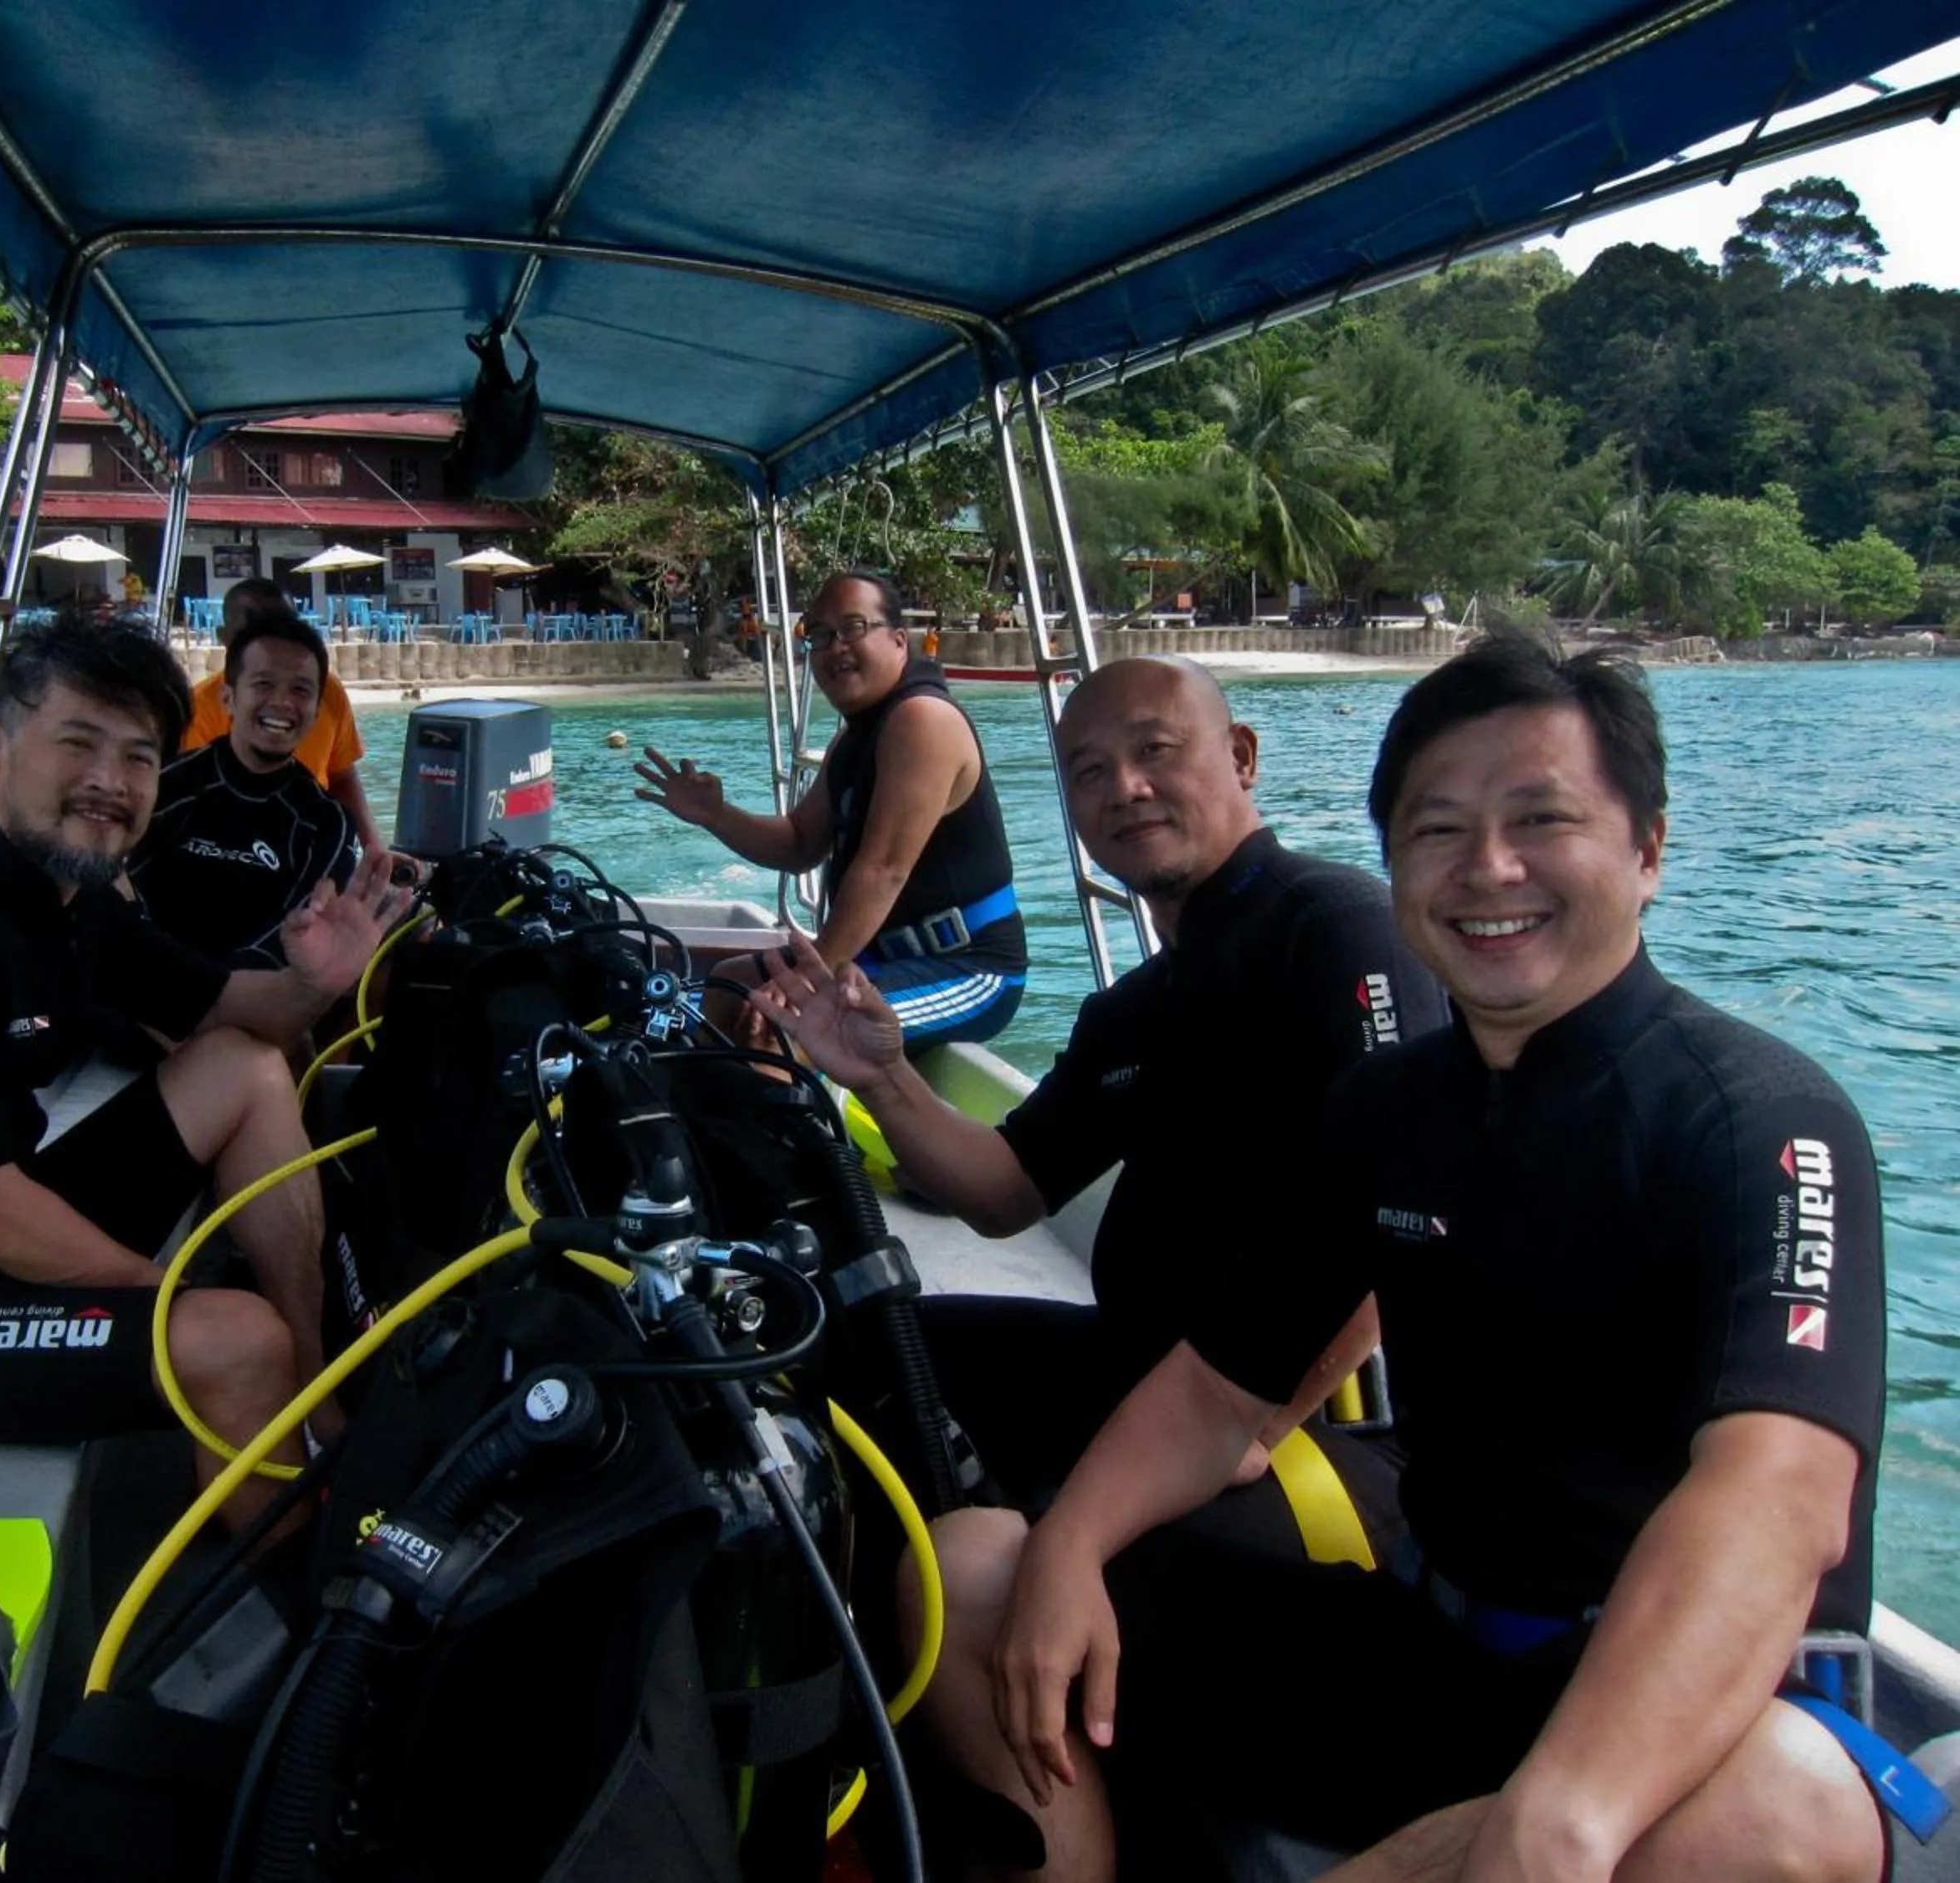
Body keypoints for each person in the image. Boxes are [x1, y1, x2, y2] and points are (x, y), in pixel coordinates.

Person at [935, 638, 1889, 1883]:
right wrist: (1066, 1548)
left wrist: (1556, 1818)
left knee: (1788, 1801)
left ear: (1648, 849)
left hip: (1671, 1711)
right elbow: (1226, 1387)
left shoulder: (1762, 1119)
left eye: (1541, 818)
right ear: (1396, 869)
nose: (1489, 868)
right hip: (1432, 1648)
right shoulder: (1391, 1111)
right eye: (1438, 832)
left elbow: (1779, 1499)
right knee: (972, 1573)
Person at [0, 613, 413, 1532]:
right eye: (79, 743)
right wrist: (171, 1302)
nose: (111, 782)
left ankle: (312, 1384)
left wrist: (315, 981)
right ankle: (301, 1587)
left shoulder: (71, 901)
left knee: (243, 1067)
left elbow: (236, 1012)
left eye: (140, 757)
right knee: (233, 1340)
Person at [745, 653, 1442, 1522]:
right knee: (843, 1348)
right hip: (1136, 1368)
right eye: (1089, 771)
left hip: (1292, 1428)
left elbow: (1402, 1216)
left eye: (1156, 752)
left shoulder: (1338, 931)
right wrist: (879, 1074)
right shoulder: (1139, 1006)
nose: (1126, 788)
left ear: (1242, 757)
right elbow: (1003, 1192)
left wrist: (1255, 1431)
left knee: (1006, 1544)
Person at [636, 570, 1028, 1048]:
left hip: (971, 967)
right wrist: (716, 815)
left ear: (900, 640)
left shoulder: (923, 719)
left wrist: (811, 980)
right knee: (727, 984)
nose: (834, 646)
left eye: (853, 628)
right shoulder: (856, 736)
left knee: (791, 1024)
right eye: (819, 635)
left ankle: (777, 1120)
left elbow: (883, 871)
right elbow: (800, 843)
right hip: (877, 958)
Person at [129, 608, 357, 968]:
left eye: (300, 690)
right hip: (141, 979)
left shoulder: (327, 824)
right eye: (264, 684)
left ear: (316, 712)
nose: (283, 702)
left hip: (254, 999)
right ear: (228, 698)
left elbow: (290, 940)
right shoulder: (163, 787)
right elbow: (114, 897)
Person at [181, 579, 386, 859]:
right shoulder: (198, 709)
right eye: (255, 632)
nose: (273, 642)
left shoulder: (329, 692)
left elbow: (341, 773)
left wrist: (375, 851)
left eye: (284, 627)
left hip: (315, 845)